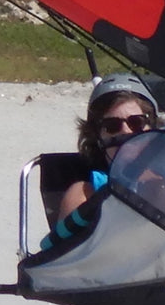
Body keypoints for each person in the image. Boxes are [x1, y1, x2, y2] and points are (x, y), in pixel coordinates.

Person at [56, 71, 159, 218]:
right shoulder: (85, 195)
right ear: (97, 136)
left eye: (136, 122)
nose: (125, 131)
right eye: (112, 125)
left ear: (152, 129)